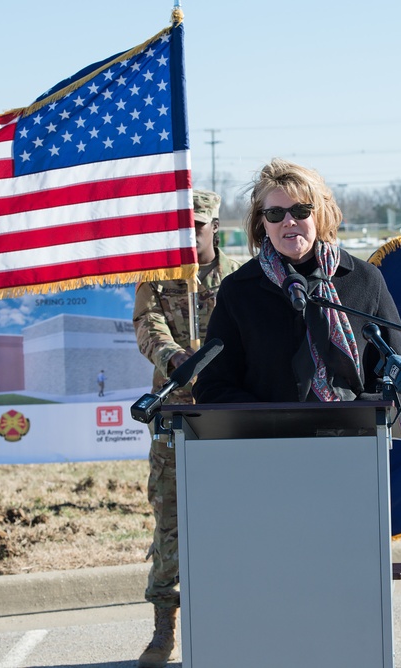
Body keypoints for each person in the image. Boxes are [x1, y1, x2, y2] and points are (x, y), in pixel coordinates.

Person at [192, 157, 401, 414]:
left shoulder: (365, 280)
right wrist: (267, 420)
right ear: (262, 222)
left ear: (320, 215)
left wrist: (363, 415)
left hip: (354, 439)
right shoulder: (239, 289)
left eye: (300, 211)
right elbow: (213, 384)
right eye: (275, 213)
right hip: (267, 442)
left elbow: (399, 376)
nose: (289, 221)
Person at [132, 189, 241, 668]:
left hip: (230, 418)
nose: (185, 237)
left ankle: (229, 622)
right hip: (174, 419)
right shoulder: (156, 277)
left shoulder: (241, 277)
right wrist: (172, 356)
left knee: (233, 522)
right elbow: (147, 326)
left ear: (213, 227)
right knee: (171, 526)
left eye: (194, 228)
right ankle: (163, 629)